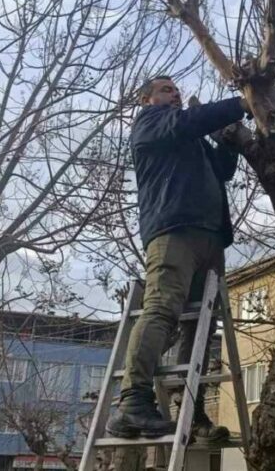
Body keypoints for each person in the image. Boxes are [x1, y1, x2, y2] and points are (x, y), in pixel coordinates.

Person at [106, 75, 249, 441]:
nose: (176, 94)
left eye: (177, 90)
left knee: (200, 326)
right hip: (174, 231)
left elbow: (223, 171)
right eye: (166, 90)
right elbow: (189, 121)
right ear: (146, 100)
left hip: (210, 237)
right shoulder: (151, 123)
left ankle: (192, 410)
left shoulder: (191, 139)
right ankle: (133, 401)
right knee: (162, 308)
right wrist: (241, 104)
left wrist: (229, 143)